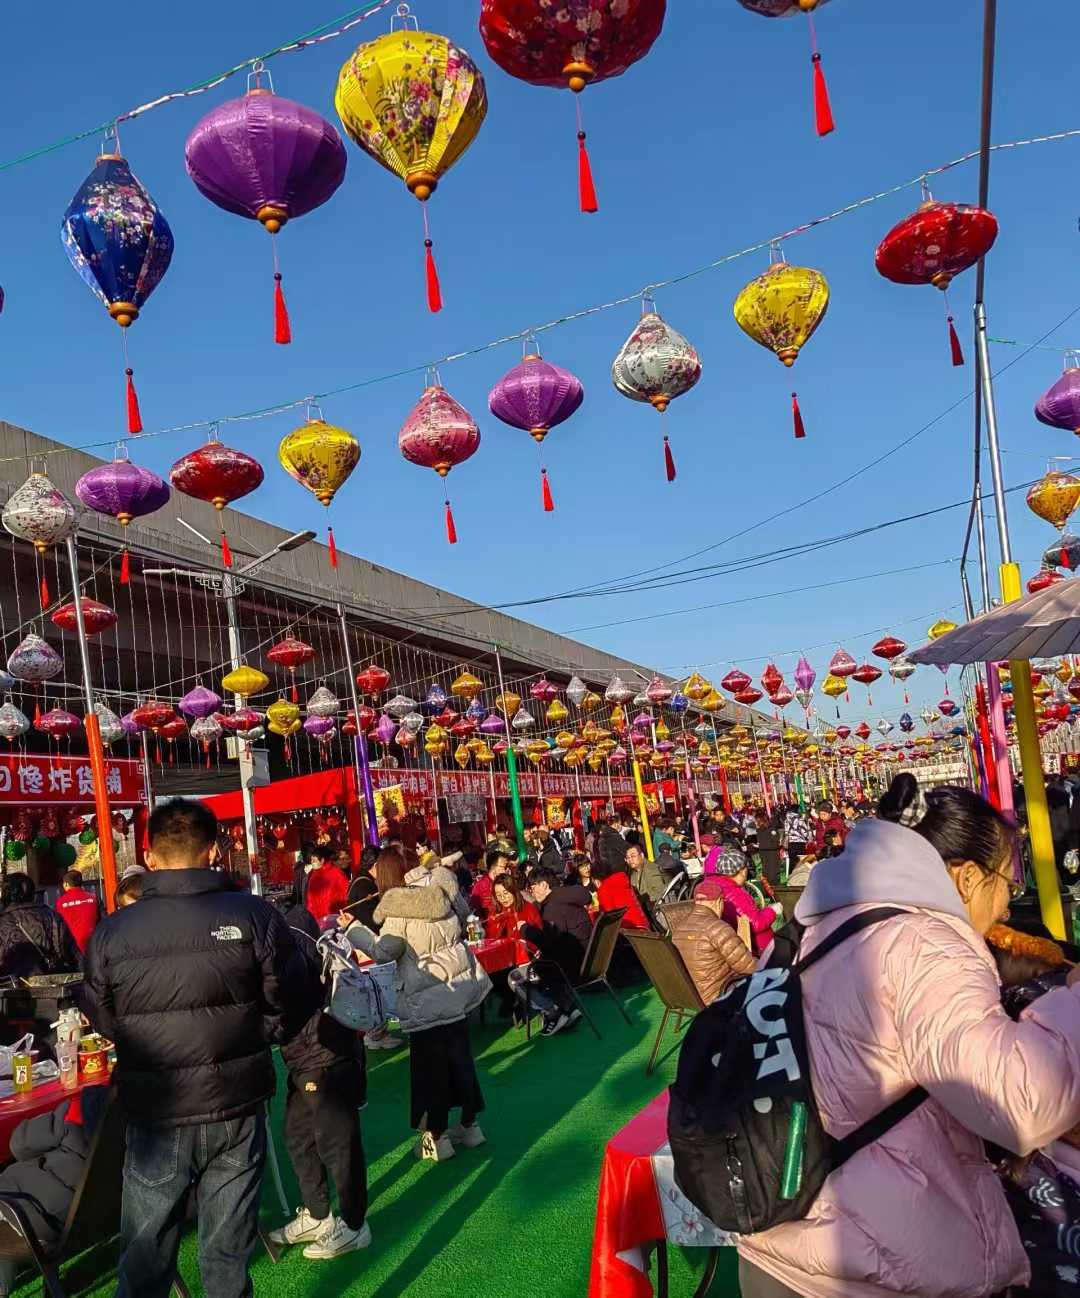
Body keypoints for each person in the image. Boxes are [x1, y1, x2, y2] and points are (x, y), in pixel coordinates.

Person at [737, 772, 1080, 1298]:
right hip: (862, 1268)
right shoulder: (926, 942)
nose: (1009, 906)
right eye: (1009, 883)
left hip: (777, 1234)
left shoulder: (812, 925)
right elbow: (1019, 1102)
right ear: (966, 878)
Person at [83, 798, 318, 1298]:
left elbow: (101, 1015)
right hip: (233, 1101)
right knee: (226, 1256)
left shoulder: (113, 930)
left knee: (145, 1258)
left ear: (149, 855)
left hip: (158, 1109)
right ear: (213, 851)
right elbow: (292, 996)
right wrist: (254, 1033)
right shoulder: (254, 914)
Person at [343, 875, 491, 1163]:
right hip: (454, 994)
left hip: (423, 1000)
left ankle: (437, 1138)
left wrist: (353, 929)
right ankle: (471, 1126)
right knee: (461, 1064)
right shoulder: (441, 903)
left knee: (430, 1074)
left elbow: (384, 951)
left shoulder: (399, 912)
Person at [271, 889, 370, 1260]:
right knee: (298, 1135)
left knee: (336, 1142)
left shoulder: (291, 944)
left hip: (323, 1052)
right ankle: (318, 1213)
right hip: (309, 1052)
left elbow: (284, 998)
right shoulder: (298, 934)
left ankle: (355, 1224)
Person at [0, 1085, 112, 1297]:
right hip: (78, 1226)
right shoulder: (143, 1120)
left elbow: (19, 1145)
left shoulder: (78, 1111)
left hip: (26, 1218)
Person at [665, 896, 755, 1004]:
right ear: (718, 902)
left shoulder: (678, 929)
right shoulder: (718, 928)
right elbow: (749, 967)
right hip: (718, 994)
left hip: (691, 996)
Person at [694, 847, 778, 955]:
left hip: (720, 942)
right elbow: (754, 924)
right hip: (753, 948)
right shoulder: (734, 893)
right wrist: (772, 911)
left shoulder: (707, 885)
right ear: (742, 871)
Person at [0, 873, 80, 979]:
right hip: (51, 984)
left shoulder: (3, 921)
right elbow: (71, 953)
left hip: (11, 987)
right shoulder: (52, 915)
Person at [592, 855, 649, 931]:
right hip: (643, 924)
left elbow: (607, 917)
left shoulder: (604, 889)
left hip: (629, 930)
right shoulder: (621, 879)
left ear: (596, 879)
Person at [54, 869, 100, 954]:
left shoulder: (60, 903)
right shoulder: (94, 898)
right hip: (93, 946)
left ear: (66, 884)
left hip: (71, 950)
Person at [305, 845, 349, 927]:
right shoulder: (313, 876)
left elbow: (346, 895)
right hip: (318, 922)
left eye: (314, 860)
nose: (312, 863)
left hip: (336, 920)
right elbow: (310, 901)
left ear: (322, 860)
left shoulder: (337, 874)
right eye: (311, 860)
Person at [470, 844, 511, 919]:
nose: (506, 870)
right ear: (494, 867)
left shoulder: (506, 881)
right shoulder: (481, 885)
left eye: (507, 867)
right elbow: (474, 909)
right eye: (503, 867)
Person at [755, 811, 784, 888]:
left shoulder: (771, 830)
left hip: (772, 856)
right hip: (764, 856)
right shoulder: (759, 831)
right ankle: (768, 892)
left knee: (773, 876)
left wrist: (761, 846)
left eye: (757, 821)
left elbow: (775, 844)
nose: (756, 823)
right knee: (766, 876)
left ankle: (777, 892)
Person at [782, 804, 812, 870]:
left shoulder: (786, 820)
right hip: (800, 842)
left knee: (792, 861)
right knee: (801, 861)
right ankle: (801, 875)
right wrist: (808, 838)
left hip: (790, 843)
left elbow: (786, 831)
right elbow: (804, 831)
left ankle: (792, 876)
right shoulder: (800, 819)